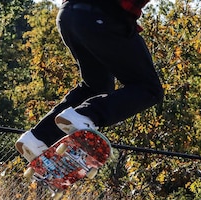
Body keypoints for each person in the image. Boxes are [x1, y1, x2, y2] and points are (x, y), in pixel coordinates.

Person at [16, 0, 164, 161]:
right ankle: (85, 116)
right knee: (149, 89)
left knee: (96, 87)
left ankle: (39, 138)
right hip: (102, 16)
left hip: (70, 16)